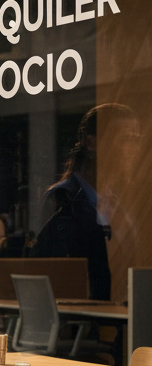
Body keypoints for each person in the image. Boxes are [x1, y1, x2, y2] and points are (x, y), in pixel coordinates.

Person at [32, 103, 140, 300]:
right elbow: (55, 277)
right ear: (92, 143)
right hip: (82, 320)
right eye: (125, 140)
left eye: (135, 141)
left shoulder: (119, 202)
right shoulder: (64, 199)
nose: (133, 150)